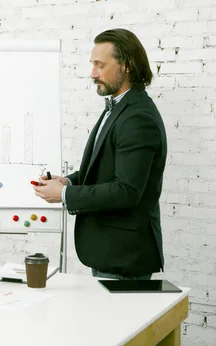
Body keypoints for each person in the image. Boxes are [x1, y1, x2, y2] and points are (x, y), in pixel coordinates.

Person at [33, 28, 166, 280]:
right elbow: (105, 168)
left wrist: (64, 194)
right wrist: (69, 181)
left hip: (123, 258)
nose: (92, 73)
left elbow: (126, 190)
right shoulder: (118, 108)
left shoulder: (137, 117)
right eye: (92, 64)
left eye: (99, 65)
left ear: (127, 66)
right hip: (111, 254)